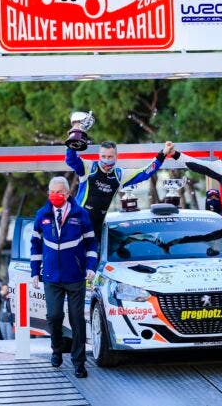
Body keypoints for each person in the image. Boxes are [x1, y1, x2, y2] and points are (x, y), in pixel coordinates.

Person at [30, 176, 97, 378]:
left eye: (59, 192)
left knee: (77, 320)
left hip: (75, 276)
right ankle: (56, 350)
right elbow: (35, 245)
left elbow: (91, 244)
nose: (55, 196)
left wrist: (91, 266)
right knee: (54, 316)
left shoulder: (81, 214)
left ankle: (79, 363)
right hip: (51, 276)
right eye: (52, 192)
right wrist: (35, 271)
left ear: (68, 193)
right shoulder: (41, 215)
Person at [66, 141, 175, 236]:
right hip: (76, 226)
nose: (106, 160)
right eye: (103, 156)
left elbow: (145, 173)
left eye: (110, 157)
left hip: (96, 231)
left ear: (116, 157)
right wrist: (75, 136)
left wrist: (163, 154)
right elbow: (71, 160)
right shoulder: (89, 167)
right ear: (99, 155)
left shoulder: (120, 175)